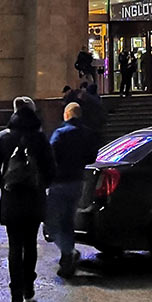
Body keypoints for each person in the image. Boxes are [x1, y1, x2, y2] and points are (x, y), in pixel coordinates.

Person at [0, 97, 55, 302]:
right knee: (30, 245)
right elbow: (52, 170)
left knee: (15, 247)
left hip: (12, 201)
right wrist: (41, 185)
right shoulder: (40, 138)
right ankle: (29, 290)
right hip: (34, 201)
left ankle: (15, 294)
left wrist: (3, 186)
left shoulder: (3, 137)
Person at [47, 101, 97, 277]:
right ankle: (67, 257)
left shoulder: (60, 134)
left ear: (67, 114)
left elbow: (50, 157)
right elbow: (92, 156)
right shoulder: (87, 134)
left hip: (60, 182)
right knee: (67, 220)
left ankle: (68, 252)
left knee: (52, 223)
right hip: (77, 182)